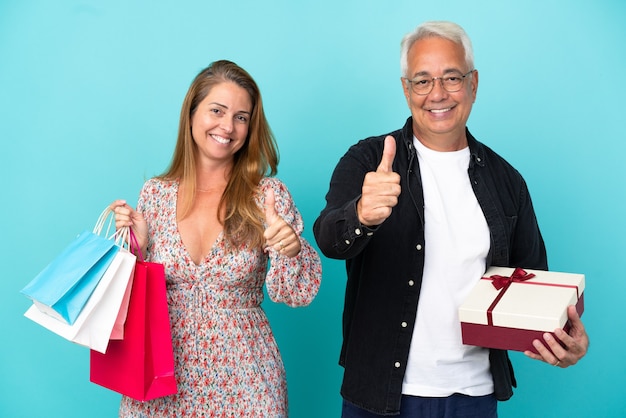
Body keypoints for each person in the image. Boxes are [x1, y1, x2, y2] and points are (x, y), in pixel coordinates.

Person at [313, 21, 588, 417]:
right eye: (422, 81)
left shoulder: (507, 181)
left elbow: (535, 285)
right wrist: (361, 214)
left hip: (474, 397)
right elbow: (328, 239)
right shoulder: (368, 160)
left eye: (452, 78)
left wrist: (564, 339)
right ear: (406, 90)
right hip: (378, 392)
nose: (437, 94)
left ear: (473, 84)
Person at [110, 60, 321, 417]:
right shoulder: (155, 194)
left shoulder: (266, 195)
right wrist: (138, 250)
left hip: (245, 380)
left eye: (241, 117)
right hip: (160, 376)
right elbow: (128, 302)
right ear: (192, 113)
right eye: (217, 111)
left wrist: (292, 248)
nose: (228, 126)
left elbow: (294, 293)